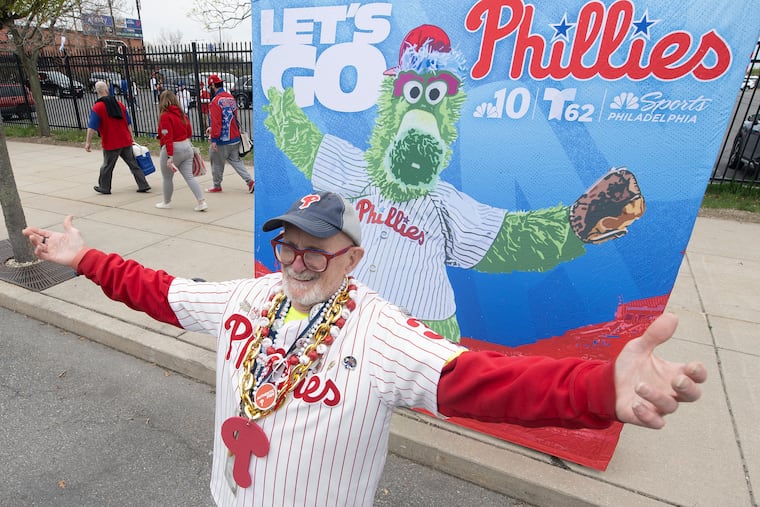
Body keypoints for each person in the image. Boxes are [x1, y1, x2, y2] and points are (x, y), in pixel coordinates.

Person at [23, 190, 706, 507]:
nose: (297, 256)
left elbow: (478, 379)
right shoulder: (250, 299)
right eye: (286, 241)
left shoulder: (378, 329)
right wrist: (84, 256)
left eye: (315, 245)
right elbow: (158, 289)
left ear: (351, 255)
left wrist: (594, 390)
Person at [84, 80, 151, 195]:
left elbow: (92, 127)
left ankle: (104, 187)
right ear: (107, 89)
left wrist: (88, 142)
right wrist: (131, 138)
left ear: (96, 91)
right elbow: (128, 122)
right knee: (133, 164)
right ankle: (143, 184)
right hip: (125, 140)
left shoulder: (98, 107)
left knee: (107, 166)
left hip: (111, 142)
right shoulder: (119, 104)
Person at [154, 90, 207, 212]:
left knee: (167, 178)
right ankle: (201, 201)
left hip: (174, 148)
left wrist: (170, 156)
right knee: (189, 177)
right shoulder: (183, 114)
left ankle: (166, 202)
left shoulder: (165, 116)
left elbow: (168, 137)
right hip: (186, 146)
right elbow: (189, 133)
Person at [205, 74, 254, 194]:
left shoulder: (215, 101)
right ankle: (250, 182)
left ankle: (217, 185)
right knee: (236, 161)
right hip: (235, 137)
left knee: (216, 162)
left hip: (222, 139)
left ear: (212, 85)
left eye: (209, 86)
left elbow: (217, 122)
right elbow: (231, 117)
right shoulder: (230, 97)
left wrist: (214, 139)